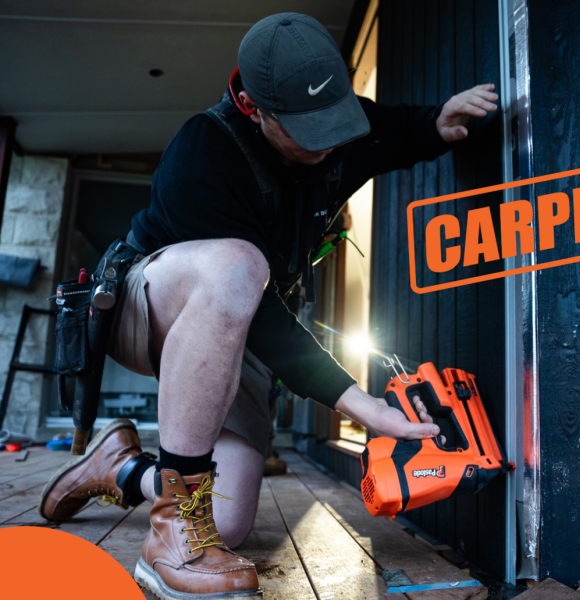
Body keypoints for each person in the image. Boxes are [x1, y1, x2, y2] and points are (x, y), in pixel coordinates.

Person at [38, 12, 497, 600]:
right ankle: (171, 540)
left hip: (242, 320)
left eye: (335, 124)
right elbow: (265, 318)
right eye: (308, 130)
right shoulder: (205, 150)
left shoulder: (335, 127)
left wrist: (437, 122)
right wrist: (362, 406)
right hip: (148, 302)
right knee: (238, 266)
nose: (327, 142)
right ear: (253, 106)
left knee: (227, 522)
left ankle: (120, 467)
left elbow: (391, 132)